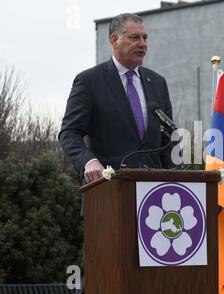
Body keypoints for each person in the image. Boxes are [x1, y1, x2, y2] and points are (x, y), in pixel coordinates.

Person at [59, 13, 174, 183]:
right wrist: (89, 162)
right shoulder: (89, 81)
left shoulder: (157, 82)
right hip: (107, 188)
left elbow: (168, 139)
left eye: (145, 38)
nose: (142, 44)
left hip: (153, 194)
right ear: (114, 40)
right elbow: (69, 133)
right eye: (134, 37)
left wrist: (179, 179)